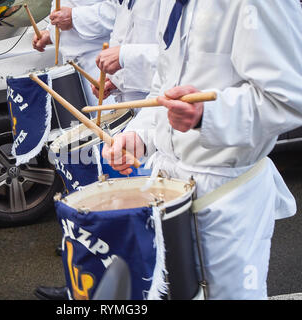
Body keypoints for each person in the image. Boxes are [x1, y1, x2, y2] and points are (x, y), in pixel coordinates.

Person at [102, 0, 302, 300]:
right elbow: (162, 89)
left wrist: (208, 114)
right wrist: (138, 136)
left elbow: (287, 99)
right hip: (168, 192)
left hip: (227, 197)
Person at [33, 0, 162, 300]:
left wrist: (125, 58)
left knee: (136, 218)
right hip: (128, 100)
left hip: (151, 110)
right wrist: (116, 81)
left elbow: (174, 61)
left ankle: (123, 289)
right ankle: (89, 286)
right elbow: (122, 29)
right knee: (115, 206)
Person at [32, 0, 116, 107]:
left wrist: (74, 17)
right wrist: (51, 33)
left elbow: (117, 12)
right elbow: (66, 6)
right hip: (73, 74)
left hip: (102, 67)